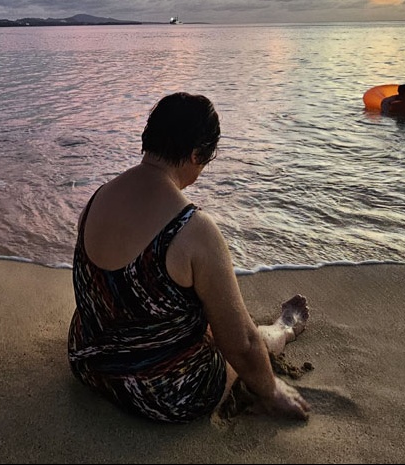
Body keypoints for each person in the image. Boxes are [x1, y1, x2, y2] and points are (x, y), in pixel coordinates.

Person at [67, 92, 311, 424]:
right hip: (164, 395)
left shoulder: (96, 199)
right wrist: (270, 391)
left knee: (173, 308)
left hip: (88, 364)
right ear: (197, 154)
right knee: (235, 333)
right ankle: (282, 329)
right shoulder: (192, 229)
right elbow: (239, 343)